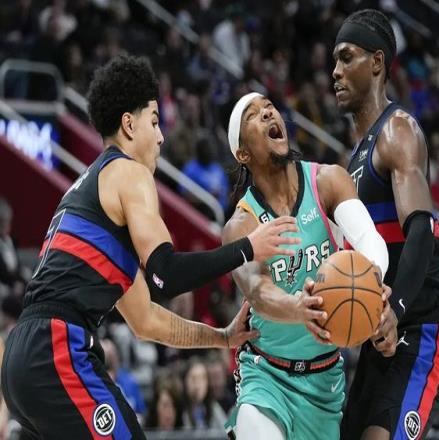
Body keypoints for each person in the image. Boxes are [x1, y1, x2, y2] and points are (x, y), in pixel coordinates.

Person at [1, 55, 300, 439]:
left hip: (22, 359)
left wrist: (222, 337)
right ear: (129, 124)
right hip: (56, 347)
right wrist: (247, 248)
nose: (161, 137)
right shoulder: (129, 172)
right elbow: (165, 274)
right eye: (155, 122)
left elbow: (147, 321)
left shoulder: (91, 196)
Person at [222, 92, 396, 440]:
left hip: (324, 382)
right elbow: (258, 292)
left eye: (270, 107)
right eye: (254, 115)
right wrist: (299, 308)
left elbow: (369, 239)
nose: (268, 113)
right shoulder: (240, 225)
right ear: (243, 154)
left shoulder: (327, 181)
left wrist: (373, 287)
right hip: (265, 375)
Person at [331, 9, 439, 440]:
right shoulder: (353, 161)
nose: (335, 71)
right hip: (379, 338)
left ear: (377, 63)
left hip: (418, 330)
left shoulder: (398, 132)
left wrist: (395, 309)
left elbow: (421, 230)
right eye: (334, 61)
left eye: (346, 57)